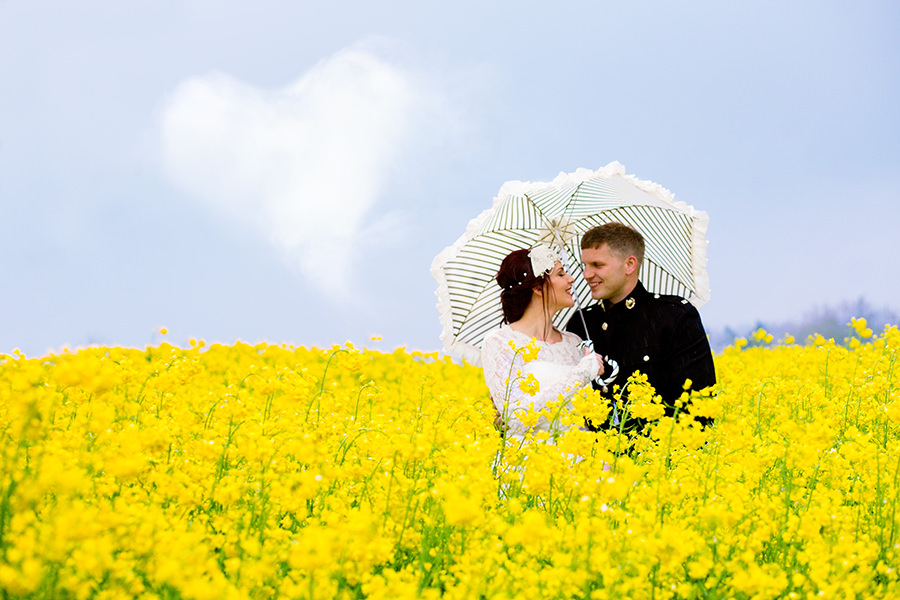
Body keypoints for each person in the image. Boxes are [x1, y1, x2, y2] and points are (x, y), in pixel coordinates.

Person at [566, 222, 716, 431]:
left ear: (629, 265)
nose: (586, 275)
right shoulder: (581, 323)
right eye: (585, 265)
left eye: (597, 265)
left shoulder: (674, 316)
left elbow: (700, 405)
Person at [481, 246, 604, 442]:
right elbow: (516, 419)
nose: (571, 279)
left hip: (583, 460)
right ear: (538, 288)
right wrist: (581, 374)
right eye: (561, 274)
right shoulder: (500, 343)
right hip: (530, 463)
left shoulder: (575, 343)